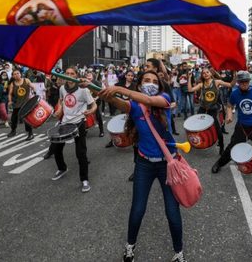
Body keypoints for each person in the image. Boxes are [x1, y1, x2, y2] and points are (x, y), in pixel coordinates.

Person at [99, 70, 186, 262]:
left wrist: (120, 88)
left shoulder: (163, 98)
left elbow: (150, 101)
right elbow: (118, 102)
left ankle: (179, 253)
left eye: (155, 81)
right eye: (147, 80)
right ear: (139, 85)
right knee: (137, 208)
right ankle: (130, 246)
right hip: (144, 164)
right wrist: (97, 89)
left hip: (167, 165)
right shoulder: (135, 106)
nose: (151, 83)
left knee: (172, 211)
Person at [211, 71, 252, 185]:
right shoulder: (235, 94)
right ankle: (219, 164)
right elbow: (230, 106)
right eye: (241, 82)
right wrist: (229, 115)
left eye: (246, 81)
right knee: (231, 148)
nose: (244, 84)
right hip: (242, 127)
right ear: (238, 83)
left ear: (249, 81)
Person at [50, 67, 97, 193]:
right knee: (55, 148)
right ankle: (62, 168)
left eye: (72, 74)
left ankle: (84, 180)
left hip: (79, 122)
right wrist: (59, 109)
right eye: (67, 73)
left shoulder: (83, 90)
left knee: (81, 153)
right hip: (65, 122)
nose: (69, 76)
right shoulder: (62, 88)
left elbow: (94, 105)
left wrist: (90, 111)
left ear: (76, 76)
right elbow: (61, 101)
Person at [187, 67, 233, 154]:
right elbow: (190, 90)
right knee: (195, 126)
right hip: (203, 108)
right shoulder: (201, 84)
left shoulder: (217, 82)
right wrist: (189, 77)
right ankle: (195, 141)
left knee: (217, 128)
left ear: (211, 73)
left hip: (213, 109)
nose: (206, 74)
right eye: (204, 73)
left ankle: (221, 146)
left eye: (207, 72)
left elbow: (230, 85)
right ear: (202, 76)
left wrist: (235, 75)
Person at [8, 69, 37, 140]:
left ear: (20, 74)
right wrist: (10, 101)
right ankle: (13, 131)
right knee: (13, 118)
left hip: (26, 103)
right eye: (14, 74)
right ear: (13, 76)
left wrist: (33, 89)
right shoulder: (12, 84)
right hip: (17, 104)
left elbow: (32, 86)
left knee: (27, 119)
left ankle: (30, 133)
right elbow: (10, 94)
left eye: (17, 73)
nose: (16, 75)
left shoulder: (26, 80)